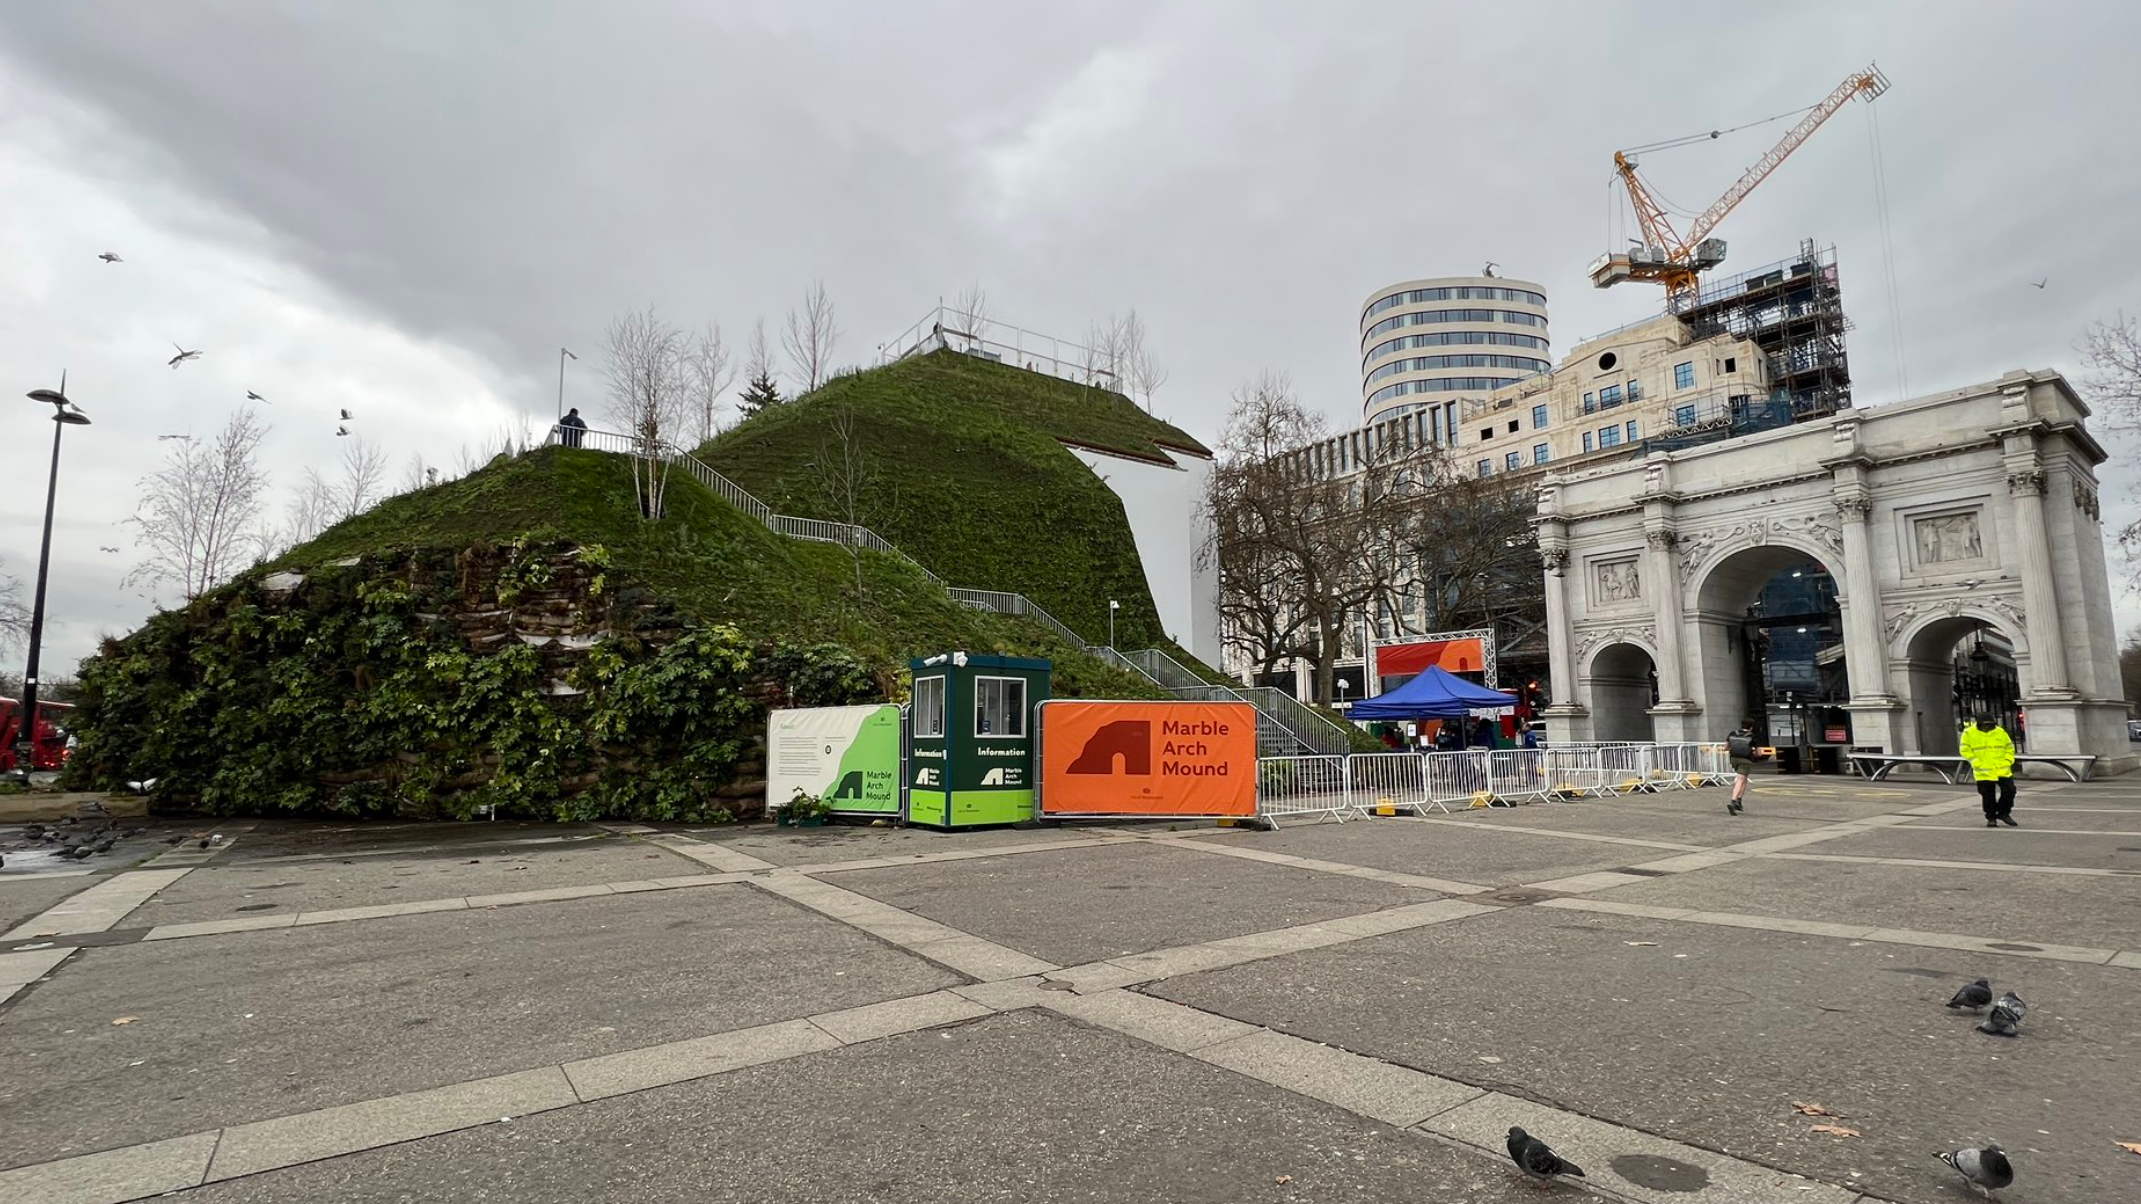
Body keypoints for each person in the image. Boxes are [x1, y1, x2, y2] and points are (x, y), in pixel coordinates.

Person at [1959, 714, 2018, 828]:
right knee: (1987, 795)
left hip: (2001, 768)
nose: (1988, 727)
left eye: (1991, 725)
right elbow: (1965, 750)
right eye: (1985, 725)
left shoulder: (2000, 732)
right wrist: (1975, 762)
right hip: (1983, 770)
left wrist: (2008, 760)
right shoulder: (1969, 733)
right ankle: (1991, 817)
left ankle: (2003, 813)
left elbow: (2009, 747)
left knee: (2010, 791)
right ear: (1979, 724)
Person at [1724, 718, 1759, 816]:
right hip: (1745, 759)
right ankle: (1734, 800)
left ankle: (1739, 800)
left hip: (1734, 759)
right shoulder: (1752, 736)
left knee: (1744, 779)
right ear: (1751, 727)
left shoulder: (1732, 733)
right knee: (1740, 779)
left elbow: (1725, 747)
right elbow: (1758, 753)